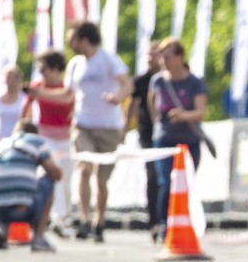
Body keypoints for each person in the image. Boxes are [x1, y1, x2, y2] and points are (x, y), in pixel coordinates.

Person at [65, 21, 132, 242]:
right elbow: (67, 95)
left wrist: (117, 98)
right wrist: (41, 94)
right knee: (84, 170)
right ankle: (84, 219)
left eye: (72, 40)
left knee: (102, 180)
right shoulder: (74, 64)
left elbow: (126, 83)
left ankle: (99, 220)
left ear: (84, 40)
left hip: (108, 127)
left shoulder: (107, 59)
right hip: (83, 124)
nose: (69, 44)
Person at [148, 36, 208, 241]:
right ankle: (165, 224)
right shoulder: (158, 81)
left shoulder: (194, 82)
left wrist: (183, 115)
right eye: (161, 57)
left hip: (189, 140)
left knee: (186, 183)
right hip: (164, 140)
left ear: (180, 57)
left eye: (168, 57)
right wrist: (158, 125)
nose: (163, 61)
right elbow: (152, 104)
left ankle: (185, 223)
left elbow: (201, 111)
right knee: (167, 182)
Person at [0, 120, 63, 253]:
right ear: (34, 133)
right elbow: (56, 174)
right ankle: (38, 238)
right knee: (49, 180)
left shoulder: (2, 144)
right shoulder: (36, 141)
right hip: (23, 210)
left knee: (7, 186)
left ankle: (2, 230)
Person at [23, 49, 75, 236]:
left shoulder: (66, 87)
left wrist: (41, 94)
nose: (41, 73)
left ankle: (65, 218)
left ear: (55, 68)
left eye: (43, 69)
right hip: (45, 139)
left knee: (66, 181)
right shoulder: (37, 87)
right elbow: (25, 111)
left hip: (67, 139)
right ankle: (56, 218)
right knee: (54, 175)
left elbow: (68, 100)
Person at [128, 43, 163, 240]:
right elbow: (132, 105)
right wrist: (125, 128)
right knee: (153, 177)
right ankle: (155, 221)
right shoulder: (141, 81)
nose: (151, 58)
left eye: (155, 54)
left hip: (168, 134)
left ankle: (167, 218)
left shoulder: (167, 79)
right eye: (149, 55)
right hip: (147, 135)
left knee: (167, 179)